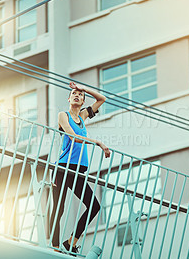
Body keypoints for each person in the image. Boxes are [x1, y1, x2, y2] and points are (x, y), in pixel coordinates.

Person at [50, 82, 111, 256]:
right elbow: (73, 136)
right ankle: (54, 246)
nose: (77, 95)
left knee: (94, 206)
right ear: (69, 99)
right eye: (74, 93)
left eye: (80, 95)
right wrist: (98, 142)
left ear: (83, 101)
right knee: (58, 207)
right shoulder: (64, 116)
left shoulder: (83, 117)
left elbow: (102, 99)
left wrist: (84, 88)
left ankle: (71, 242)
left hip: (78, 171)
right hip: (62, 168)